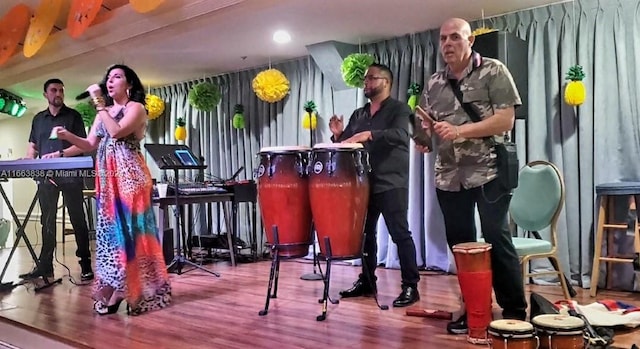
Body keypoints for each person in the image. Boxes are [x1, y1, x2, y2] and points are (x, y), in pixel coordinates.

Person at [416, 18, 527, 334]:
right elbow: (428, 123)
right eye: (442, 39)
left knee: (497, 238)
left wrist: (459, 130)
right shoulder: (434, 82)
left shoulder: (493, 70)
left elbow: (505, 120)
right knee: (461, 246)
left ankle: (514, 313)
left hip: (489, 170)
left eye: (454, 37)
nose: (447, 44)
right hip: (449, 175)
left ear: (470, 41)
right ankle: (475, 309)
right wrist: (424, 135)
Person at [53, 64, 171, 315]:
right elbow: (89, 144)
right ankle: (118, 286)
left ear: (129, 84)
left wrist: (98, 102)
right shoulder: (102, 113)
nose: (110, 81)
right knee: (111, 238)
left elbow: (117, 133)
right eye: (108, 77)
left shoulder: (135, 108)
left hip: (131, 178)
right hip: (108, 181)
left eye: (117, 77)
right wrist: (67, 138)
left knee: (130, 235)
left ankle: (127, 290)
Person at [330, 63, 420, 307]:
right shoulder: (359, 115)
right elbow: (348, 143)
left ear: (386, 82)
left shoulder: (399, 110)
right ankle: (368, 281)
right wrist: (338, 135)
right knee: (365, 234)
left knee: (400, 234)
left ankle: (411, 286)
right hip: (363, 184)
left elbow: (403, 135)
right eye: (365, 79)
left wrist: (371, 135)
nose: (366, 83)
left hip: (391, 181)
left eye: (372, 78)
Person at [21, 78, 94, 282]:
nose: (58, 93)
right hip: (46, 177)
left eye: (61, 90)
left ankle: (86, 265)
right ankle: (45, 266)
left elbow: (83, 145)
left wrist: (60, 155)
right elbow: (33, 146)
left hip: (70, 176)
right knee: (47, 221)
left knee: (78, 220)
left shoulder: (74, 116)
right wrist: (27, 161)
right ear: (46, 94)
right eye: (54, 90)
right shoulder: (38, 119)